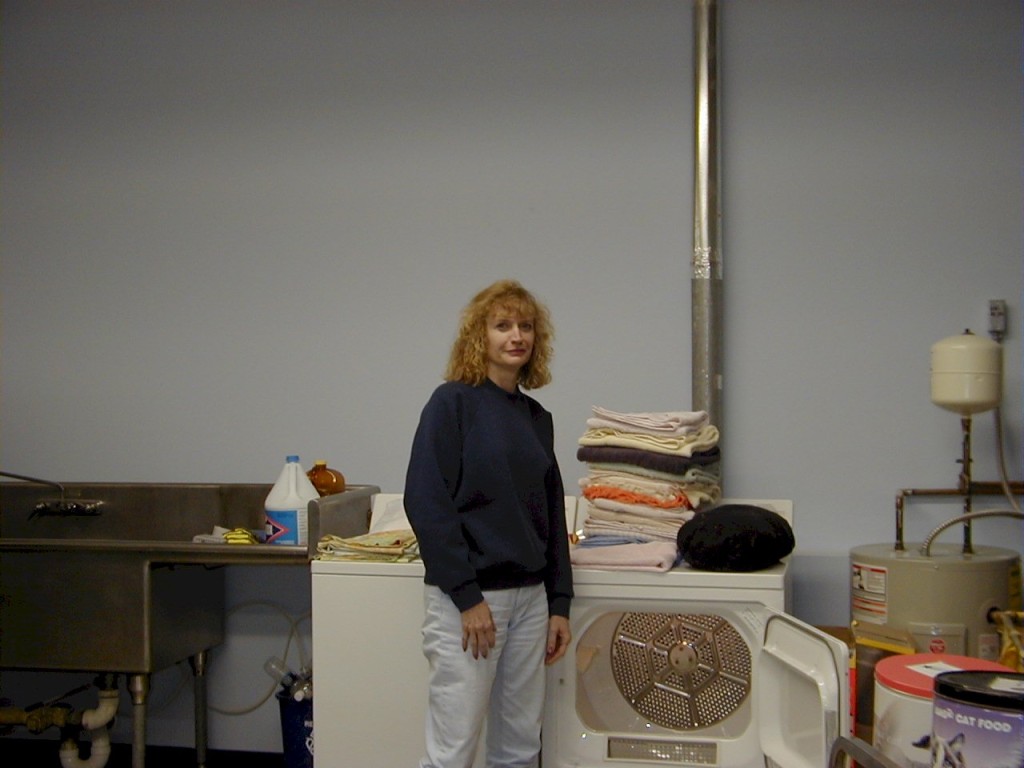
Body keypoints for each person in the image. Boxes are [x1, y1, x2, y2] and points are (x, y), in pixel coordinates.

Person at [404, 279, 574, 768]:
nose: (516, 336)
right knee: (453, 748)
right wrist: (467, 596)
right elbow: (426, 500)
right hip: (473, 603)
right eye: (502, 325)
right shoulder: (451, 404)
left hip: (531, 601)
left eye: (525, 326)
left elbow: (550, 511)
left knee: (520, 746)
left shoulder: (536, 417)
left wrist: (559, 602)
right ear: (480, 336)